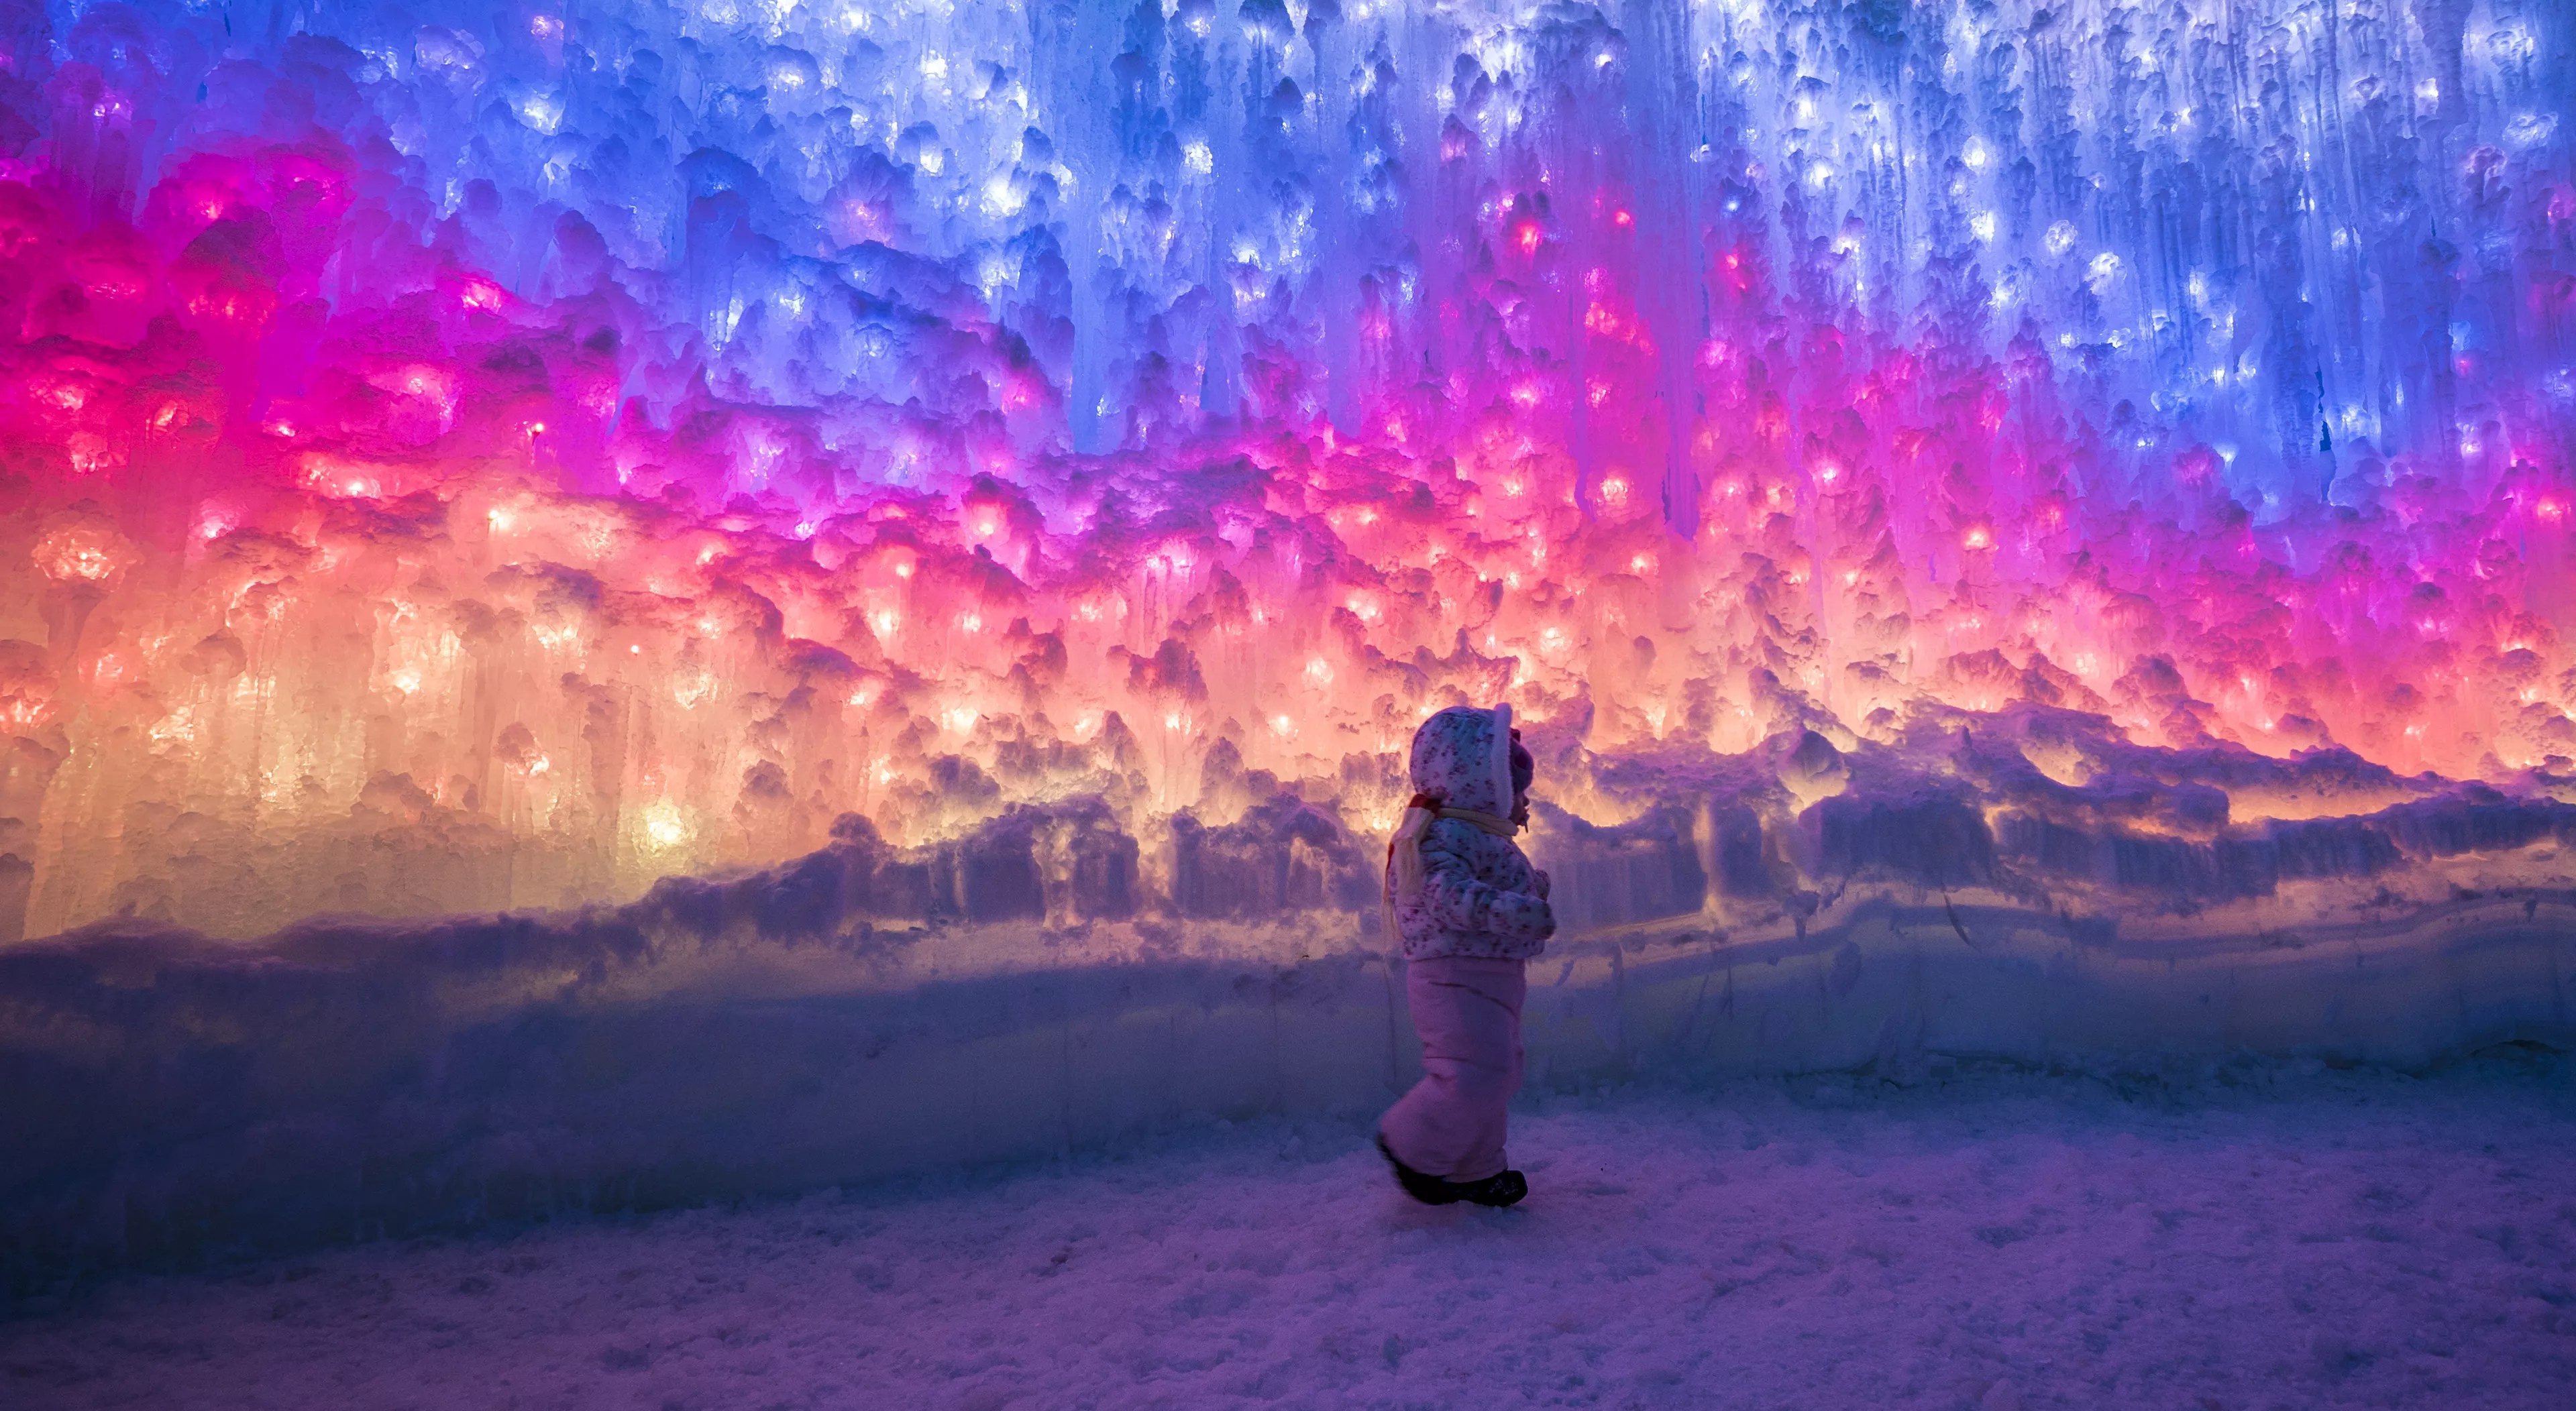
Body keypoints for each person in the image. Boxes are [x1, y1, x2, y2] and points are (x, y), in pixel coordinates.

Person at [1375, 702, 1555, 1208]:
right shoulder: (1441, 838)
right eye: (1516, 789)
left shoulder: (1475, 836)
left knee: (1498, 1069)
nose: (1524, 803)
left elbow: (1491, 884)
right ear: (1482, 785)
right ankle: (1413, 1145)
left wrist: (1529, 890)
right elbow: (1445, 894)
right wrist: (1509, 908)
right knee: (1475, 1072)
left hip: (1490, 976)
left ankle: (1476, 1169)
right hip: (1452, 976)